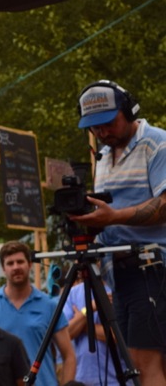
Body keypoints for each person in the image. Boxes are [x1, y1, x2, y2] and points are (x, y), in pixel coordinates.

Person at [69, 80, 166, 383]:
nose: (102, 132)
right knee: (131, 364)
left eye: (109, 123)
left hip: (152, 269)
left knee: (144, 363)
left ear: (129, 110)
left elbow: (164, 204)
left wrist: (111, 218)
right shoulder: (102, 156)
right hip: (119, 275)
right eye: (94, 127)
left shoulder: (157, 143)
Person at [0, 241, 76, 386]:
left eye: (20, 262)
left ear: (30, 264)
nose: (16, 267)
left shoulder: (49, 305)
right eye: (10, 263)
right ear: (3, 269)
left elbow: (69, 356)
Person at [61, 267, 112, 386]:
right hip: (81, 379)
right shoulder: (72, 294)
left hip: (115, 380)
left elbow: (116, 336)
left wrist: (80, 320)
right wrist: (90, 309)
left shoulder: (114, 291)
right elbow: (66, 334)